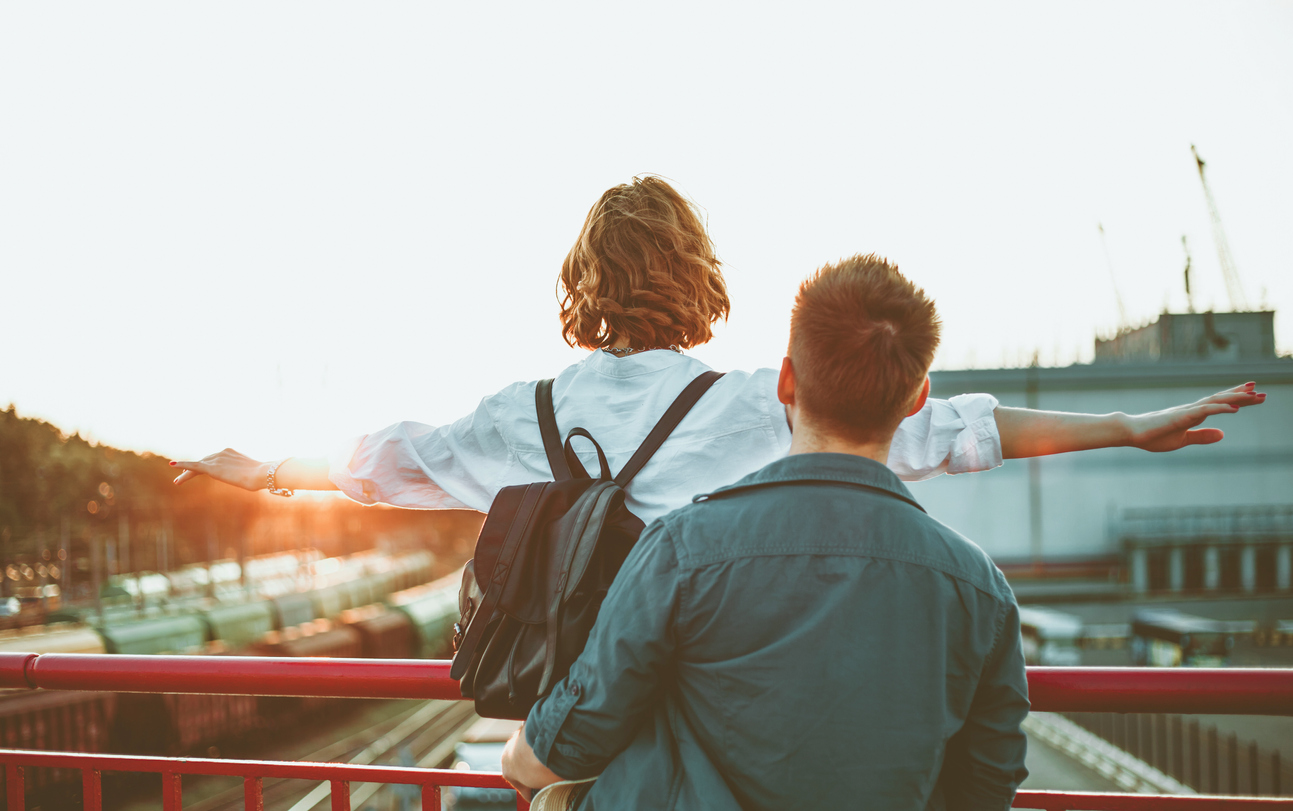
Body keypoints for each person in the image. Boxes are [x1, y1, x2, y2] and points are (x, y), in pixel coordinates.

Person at [171, 176, 1265, 517]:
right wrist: (1123, 424)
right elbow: (950, 430)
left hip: (582, 731)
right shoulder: (756, 403)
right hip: (721, 711)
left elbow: (382, 461)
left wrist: (265, 470)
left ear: (582, 284)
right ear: (700, 279)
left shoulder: (523, 415)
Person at [501, 255, 1029, 809]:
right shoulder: (980, 592)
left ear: (785, 382)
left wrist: (516, 754)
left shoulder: (681, 551)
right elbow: (989, 784)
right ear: (918, 398)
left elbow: (572, 740)